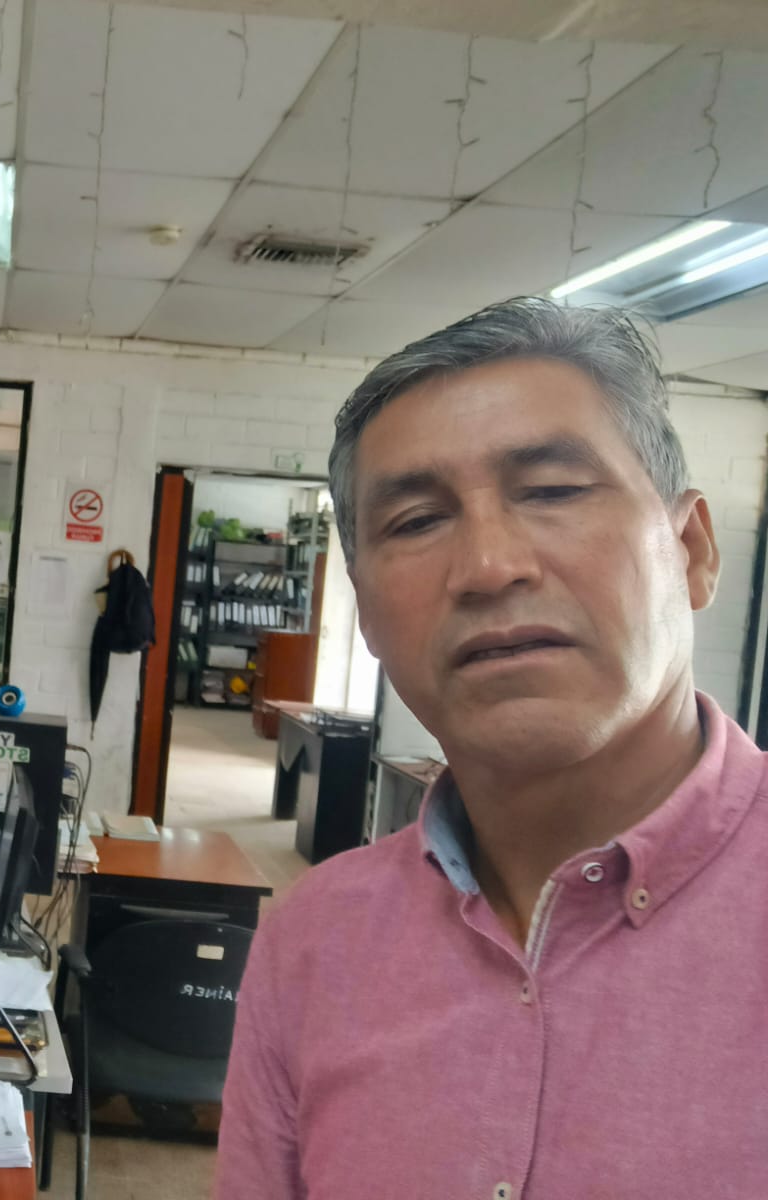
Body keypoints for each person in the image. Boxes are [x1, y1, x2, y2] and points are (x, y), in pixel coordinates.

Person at [215, 297, 768, 1197]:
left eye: (551, 492)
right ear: (367, 613)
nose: (488, 567)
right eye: (416, 522)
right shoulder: (314, 945)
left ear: (692, 548)